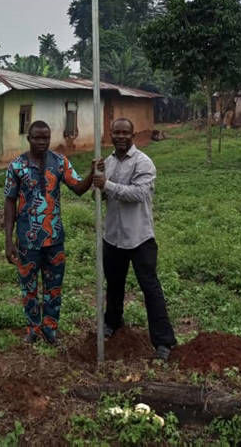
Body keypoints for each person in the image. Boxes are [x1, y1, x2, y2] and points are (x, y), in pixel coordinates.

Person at [93, 118, 176, 360]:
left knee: (150, 288)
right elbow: (99, 196)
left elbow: (138, 194)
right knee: (114, 285)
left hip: (140, 238)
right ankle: (112, 323)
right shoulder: (107, 163)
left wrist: (106, 185)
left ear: (133, 135)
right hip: (113, 236)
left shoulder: (143, 162)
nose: (120, 136)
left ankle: (164, 341)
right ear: (110, 134)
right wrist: (97, 181)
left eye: (125, 133)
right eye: (116, 132)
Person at [4, 120, 94, 345]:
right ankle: (33, 330)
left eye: (45, 138)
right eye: (37, 137)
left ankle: (50, 329)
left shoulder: (59, 162)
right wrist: (8, 240)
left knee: (53, 288)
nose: (41, 142)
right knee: (29, 288)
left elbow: (79, 188)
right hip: (27, 240)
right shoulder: (17, 166)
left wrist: (93, 173)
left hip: (54, 240)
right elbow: (10, 202)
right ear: (29, 138)